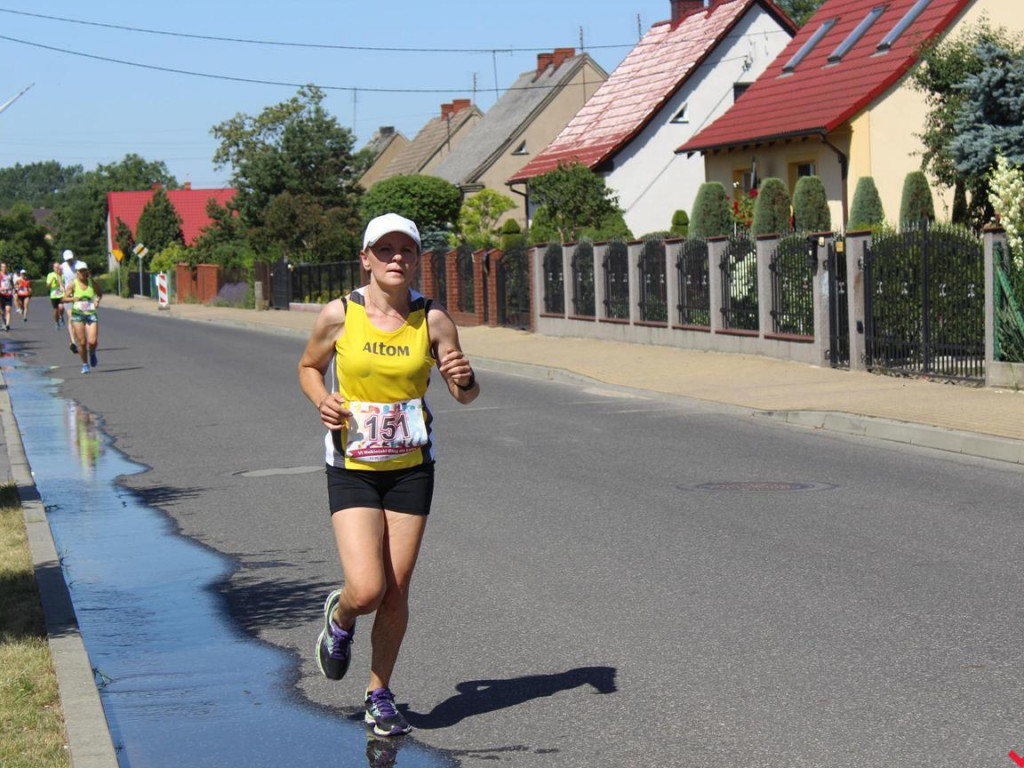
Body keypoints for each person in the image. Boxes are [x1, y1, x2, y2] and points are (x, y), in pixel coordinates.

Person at [297, 213, 479, 738]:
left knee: (396, 591)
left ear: (418, 259)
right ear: (366, 258)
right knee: (368, 587)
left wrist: (464, 379)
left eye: (407, 250)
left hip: (410, 470)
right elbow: (309, 367)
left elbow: (465, 394)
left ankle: (379, 693)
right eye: (385, 249)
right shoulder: (339, 315)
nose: (396, 258)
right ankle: (342, 616)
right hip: (353, 466)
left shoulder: (434, 320)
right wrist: (322, 401)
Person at [63, 261, 102, 374]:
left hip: (90, 314)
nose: (83, 273)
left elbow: (99, 293)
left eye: (85, 271)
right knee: (82, 342)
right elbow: (64, 298)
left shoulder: (92, 283)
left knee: (92, 341)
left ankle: (93, 352)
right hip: (78, 315)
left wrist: (97, 300)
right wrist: (73, 299)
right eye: (81, 271)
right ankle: (85, 364)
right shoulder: (73, 284)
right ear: (77, 273)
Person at [61, 249, 79, 353]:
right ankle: (73, 342)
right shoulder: (63, 266)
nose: (69, 261)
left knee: (78, 319)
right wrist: (61, 286)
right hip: (68, 295)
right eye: (67, 260)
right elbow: (58, 274)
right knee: (71, 318)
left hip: (78, 295)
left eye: (71, 259)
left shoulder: (78, 265)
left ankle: (75, 339)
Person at [46, 261, 66, 329]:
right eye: (56, 267)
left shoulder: (63, 275)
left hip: (61, 294)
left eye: (58, 267)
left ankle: (61, 317)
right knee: (55, 310)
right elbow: (47, 286)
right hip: (54, 295)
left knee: (61, 307)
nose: (57, 268)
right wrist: (51, 281)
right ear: (53, 268)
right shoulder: (50, 275)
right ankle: (56, 322)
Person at [0, 262, 13, 331]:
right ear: (1, 268)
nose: (4, 268)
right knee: (2, 311)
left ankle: (7, 325)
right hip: (1, 295)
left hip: (8, 294)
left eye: (5, 267)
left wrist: (12, 288)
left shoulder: (9, 275)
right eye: (2, 267)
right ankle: (4, 321)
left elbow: (12, 284)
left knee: (8, 310)